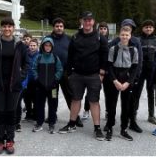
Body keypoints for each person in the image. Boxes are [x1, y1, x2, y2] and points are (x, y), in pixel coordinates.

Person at [0, 18, 28, 154]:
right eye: (4, 26)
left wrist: (20, 78)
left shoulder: (19, 44)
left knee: (11, 112)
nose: (7, 29)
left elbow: (27, 64)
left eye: (9, 26)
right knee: (0, 112)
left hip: (13, 86)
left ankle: (10, 140)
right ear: (1, 28)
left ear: (13, 28)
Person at [59, 11, 106, 140]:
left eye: (90, 20)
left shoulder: (100, 37)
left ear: (93, 21)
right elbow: (70, 57)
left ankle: (97, 128)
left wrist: (102, 73)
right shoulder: (75, 37)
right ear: (81, 21)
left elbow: (104, 56)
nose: (87, 22)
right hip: (77, 75)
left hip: (93, 75)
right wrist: (69, 74)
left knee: (94, 101)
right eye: (85, 20)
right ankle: (72, 124)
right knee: (75, 99)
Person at [104, 25, 141, 141]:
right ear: (119, 35)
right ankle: (109, 127)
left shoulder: (133, 50)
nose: (124, 37)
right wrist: (114, 80)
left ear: (130, 36)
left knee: (126, 106)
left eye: (127, 35)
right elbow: (109, 66)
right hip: (114, 77)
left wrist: (128, 82)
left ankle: (123, 129)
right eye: (122, 35)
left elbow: (135, 67)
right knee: (111, 105)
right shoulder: (113, 49)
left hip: (127, 78)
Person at [31, 36, 64, 134]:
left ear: (52, 47)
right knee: (40, 105)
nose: (48, 47)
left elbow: (60, 70)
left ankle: (51, 123)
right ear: (43, 46)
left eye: (50, 45)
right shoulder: (39, 57)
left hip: (53, 87)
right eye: (46, 45)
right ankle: (39, 123)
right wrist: (37, 79)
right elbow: (34, 69)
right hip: (40, 86)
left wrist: (55, 80)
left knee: (53, 104)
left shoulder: (55, 57)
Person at [135, 20, 156, 125]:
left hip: (152, 72)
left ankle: (151, 115)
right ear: (143, 28)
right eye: (146, 27)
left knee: (151, 93)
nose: (148, 29)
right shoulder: (138, 40)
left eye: (150, 27)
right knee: (137, 93)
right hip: (139, 72)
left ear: (153, 29)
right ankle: (133, 114)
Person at [49, 18, 73, 114]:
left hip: (65, 73)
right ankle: (52, 115)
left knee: (69, 95)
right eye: (57, 26)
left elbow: (74, 54)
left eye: (61, 26)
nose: (59, 28)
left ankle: (75, 117)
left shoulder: (69, 39)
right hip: (53, 74)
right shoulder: (48, 39)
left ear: (63, 27)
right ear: (54, 27)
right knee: (53, 95)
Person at [22, 39, 42, 125]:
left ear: (37, 46)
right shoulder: (25, 54)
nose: (32, 47)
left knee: (36, 99)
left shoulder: (40, 55)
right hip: (26, 80)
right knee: (27, 98)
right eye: (31, 45)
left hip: (35, 80)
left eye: (34, 45)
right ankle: (28, 114)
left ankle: (35, 114)